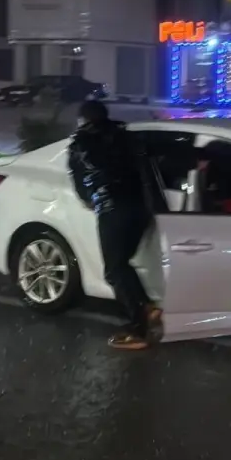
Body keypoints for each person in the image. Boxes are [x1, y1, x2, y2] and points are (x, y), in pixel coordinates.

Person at [68, 99, 164, 350]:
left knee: (114, 270)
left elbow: (81, 185)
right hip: (141, 209)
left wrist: (94, 201)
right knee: (122, 264)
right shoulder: (128, 137)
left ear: (83, 120)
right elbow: (147, 168)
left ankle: (138, 329)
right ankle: (146, 306)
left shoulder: (80, 145)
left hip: (113, 210)